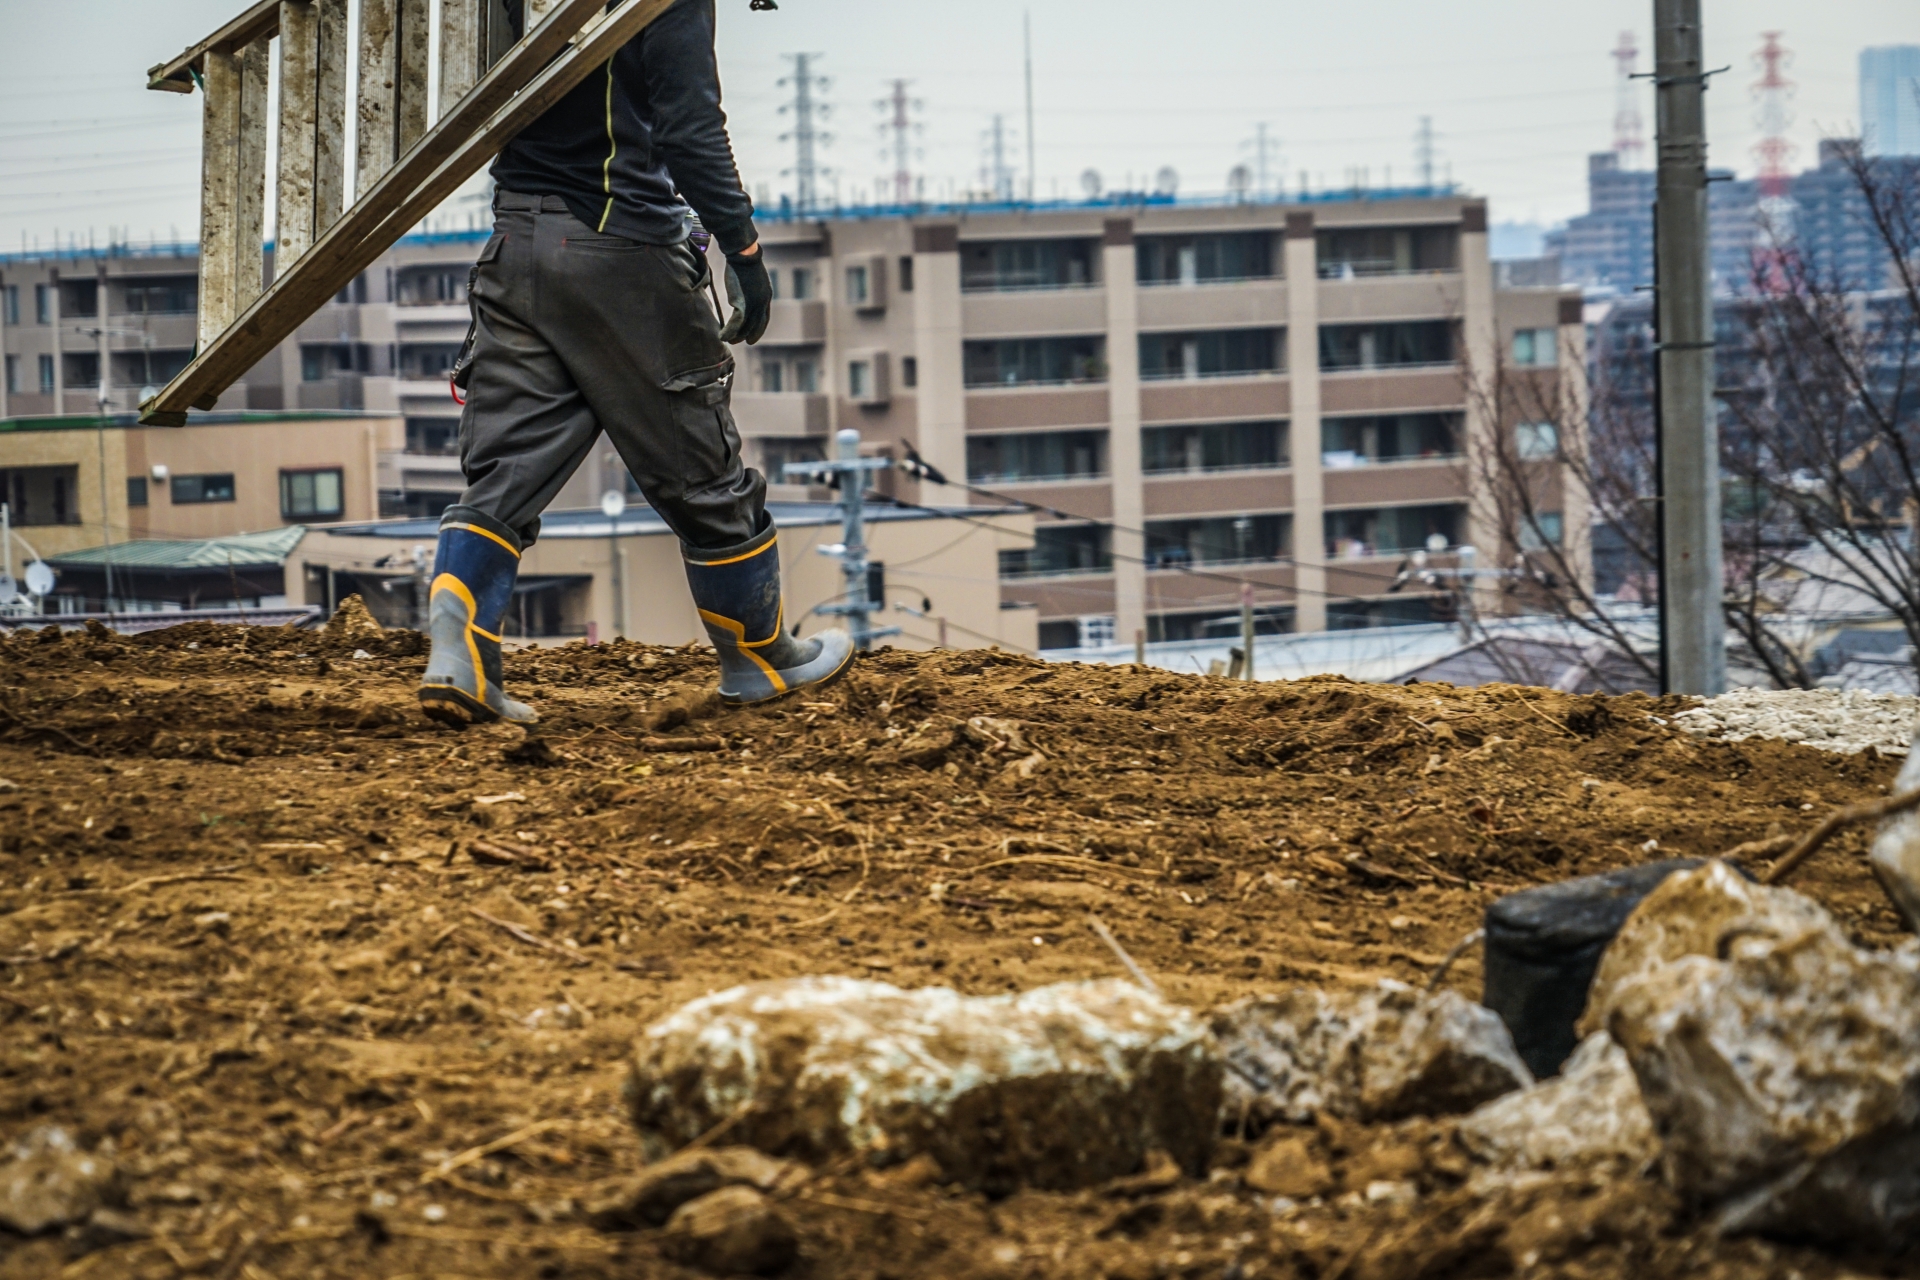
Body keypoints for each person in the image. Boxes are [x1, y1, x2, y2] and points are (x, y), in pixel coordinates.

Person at [418, 0, 850, 728]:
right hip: (622, 249)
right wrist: (742, 249)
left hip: (517, 242)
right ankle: (759, 654)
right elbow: (690, 127)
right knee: (700, 464)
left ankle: (460, 654)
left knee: (508, 466)